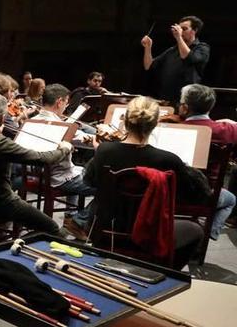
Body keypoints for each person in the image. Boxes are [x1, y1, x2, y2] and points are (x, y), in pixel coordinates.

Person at [83, 97, 207, 267]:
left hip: (106, 229)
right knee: (196, 230)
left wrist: (99, 154)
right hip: (150, 232)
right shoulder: (169, 160)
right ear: (155, 123)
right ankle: (163, 272)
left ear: (125, 120)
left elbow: (88, 181)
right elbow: (197, 195)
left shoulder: (105, 150)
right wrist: (186, 167)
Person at [0, 94, 73, 236]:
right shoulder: (0, 142)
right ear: (2, 118)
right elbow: (41, 159)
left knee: (25, 210)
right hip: (1, 203)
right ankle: (22, 246)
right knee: (52, 228)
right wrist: (64, 149)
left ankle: (1, 236)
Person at [32, 83, 97, 240]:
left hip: (36, 175)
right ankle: (79, 222)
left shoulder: (31, 121)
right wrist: (97, 138)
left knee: (75, 168)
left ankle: (70, 215)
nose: (66, 106)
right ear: (59, 102)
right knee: (108, 186)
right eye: (66, 102)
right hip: (59, 179)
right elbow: (84, 140)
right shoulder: (61, 126)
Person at [176, 84, 236, 240]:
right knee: (231, 200)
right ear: (210, 106)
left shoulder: (174, 128)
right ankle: (207, 233)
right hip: (206, 195)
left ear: (184, 107)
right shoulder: (225, 130)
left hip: (173, 192)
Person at [141, 15, 210, 103]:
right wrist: (148, 47)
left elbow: (187, 57)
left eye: (184, 29)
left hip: (186, 101)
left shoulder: (202, 48)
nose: (180, 32)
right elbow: (148, 66)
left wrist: (178, 37)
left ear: (194, 30)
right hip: (166, 99)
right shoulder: (172, 50)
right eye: (179, 29)